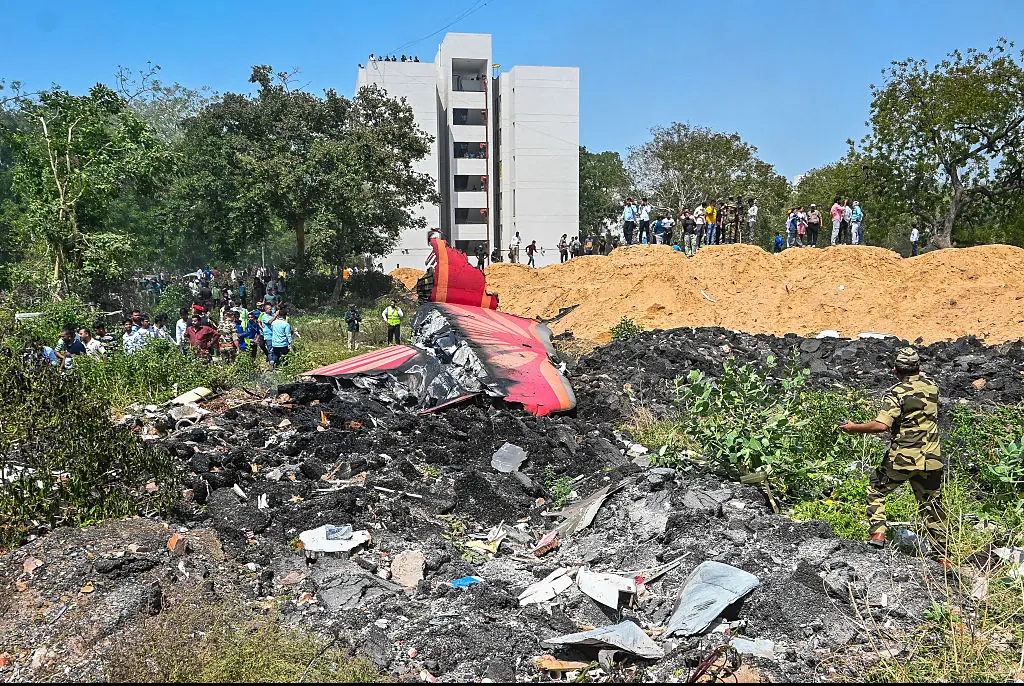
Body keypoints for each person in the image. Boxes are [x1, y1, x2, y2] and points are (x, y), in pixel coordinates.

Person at [839, 347, 947, 555]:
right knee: (932, 507)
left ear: (895, 370)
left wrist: (854, 428)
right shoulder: (933, 387)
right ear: (919, 367)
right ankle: (942, 557)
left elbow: (881, 426)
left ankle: (878, 533)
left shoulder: (896, 393)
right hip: (931, 457)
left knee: (876, 489)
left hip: (903, 457)